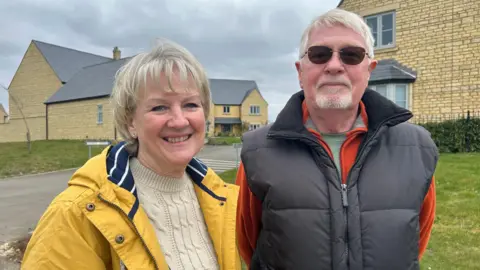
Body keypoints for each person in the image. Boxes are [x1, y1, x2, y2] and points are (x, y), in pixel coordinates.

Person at [235, 8, 438, 270]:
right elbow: (248, 241)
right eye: (319, 55)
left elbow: (414, 240)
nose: (333, 65)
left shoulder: (415, 148)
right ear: (300, 71)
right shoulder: (259, 151)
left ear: (369, 70)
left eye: (351, 55)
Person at [21, 39, 242, 270]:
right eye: (159, 107)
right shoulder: (76, 214)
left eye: (190, 105)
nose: (179, 121)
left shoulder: (222, 200)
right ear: (131, 122)